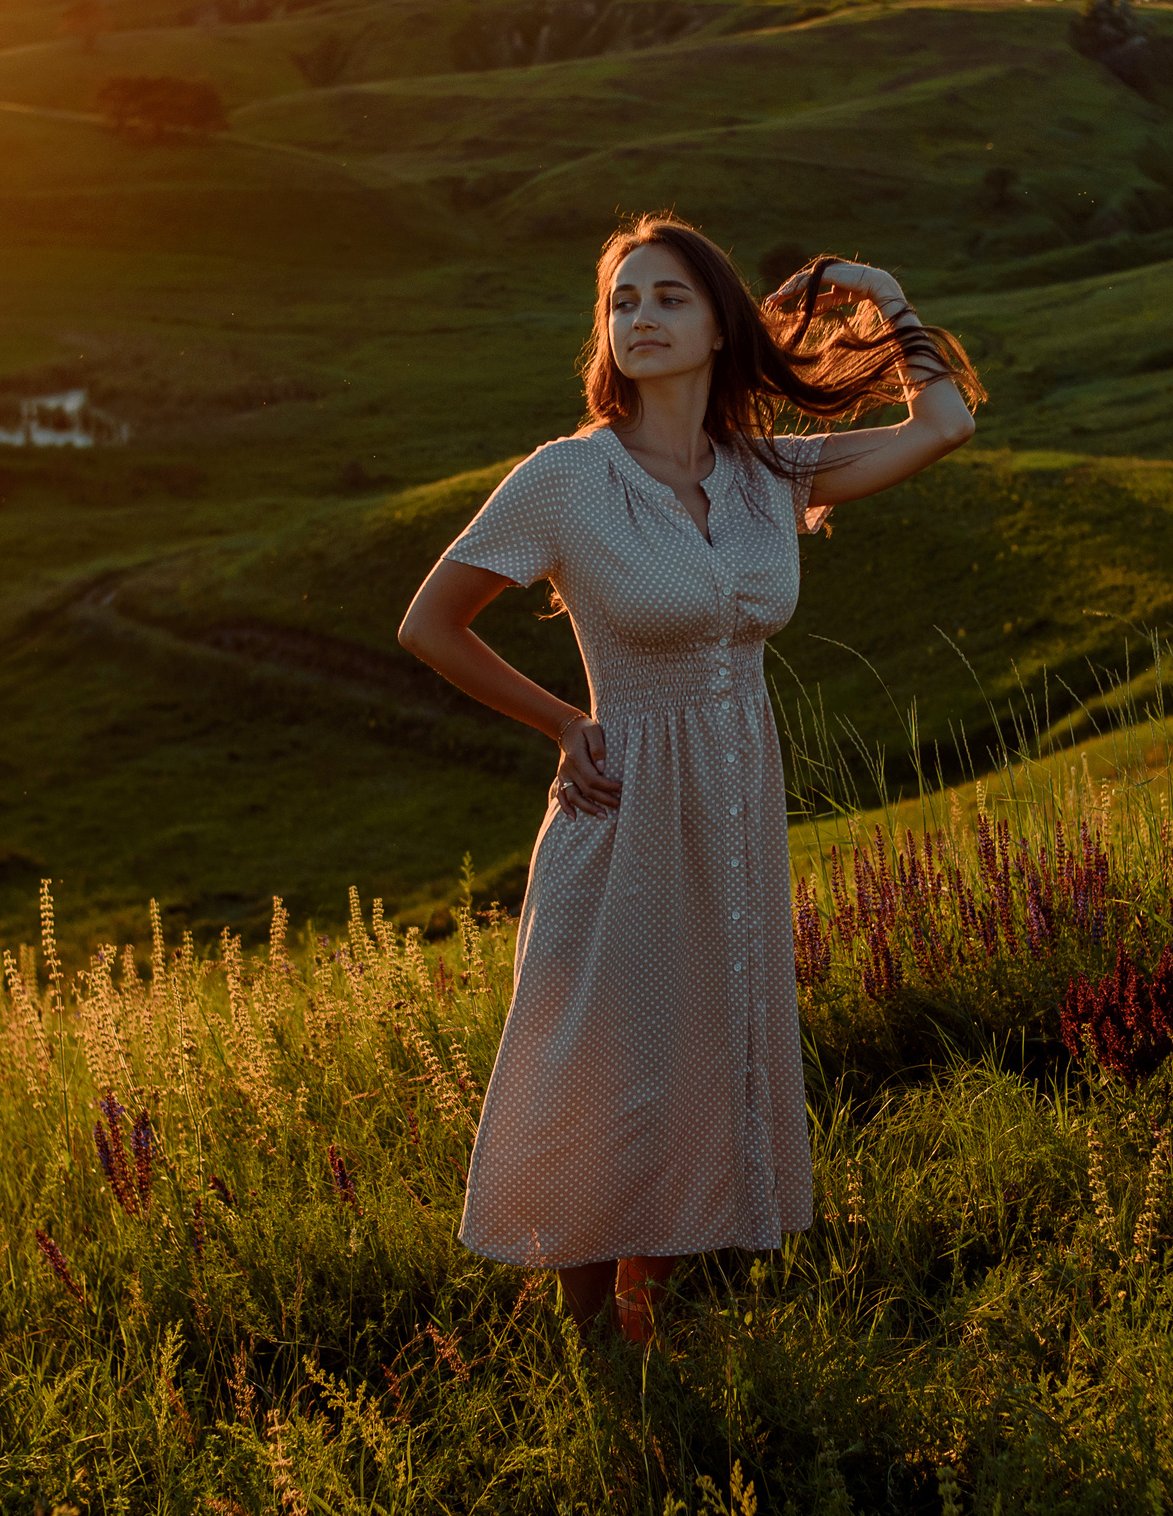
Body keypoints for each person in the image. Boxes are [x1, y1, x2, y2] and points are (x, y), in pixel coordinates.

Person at [396, 214, 984, 1343]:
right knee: (599, 1066)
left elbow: (944, 424)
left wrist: (880, 291)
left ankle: (642, 1317)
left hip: (734, 808)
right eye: (622, 301)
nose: (641, 318)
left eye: (669, 296)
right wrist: (564, 722)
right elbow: (431, 624)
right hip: (621, 806)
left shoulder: (767, 472)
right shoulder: (567, 477)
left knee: (704, 1052)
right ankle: (587, 1346)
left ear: (721, 325)